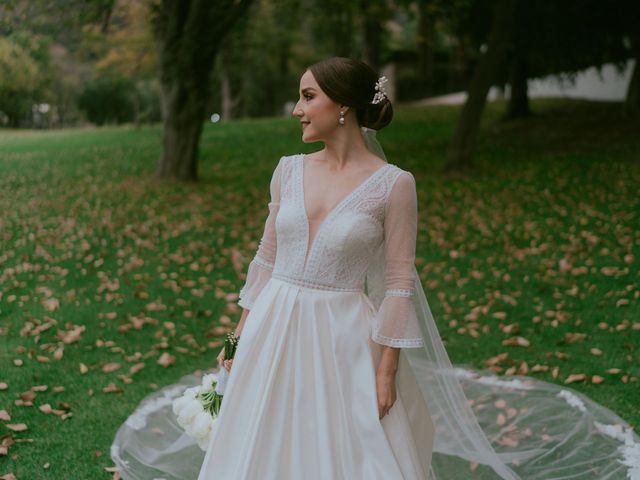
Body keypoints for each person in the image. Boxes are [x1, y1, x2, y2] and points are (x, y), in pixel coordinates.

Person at [110, 58, 640, 480]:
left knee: (348, 446)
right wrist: (237, 337)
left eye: (307, 95)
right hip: (274, 326)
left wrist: (386, 370)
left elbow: (399, 281)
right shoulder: (286, 171)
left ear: (343, 106)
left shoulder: (394, 184)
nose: (297, 108)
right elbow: (266, 258)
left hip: (343, 336)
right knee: (262, 437)